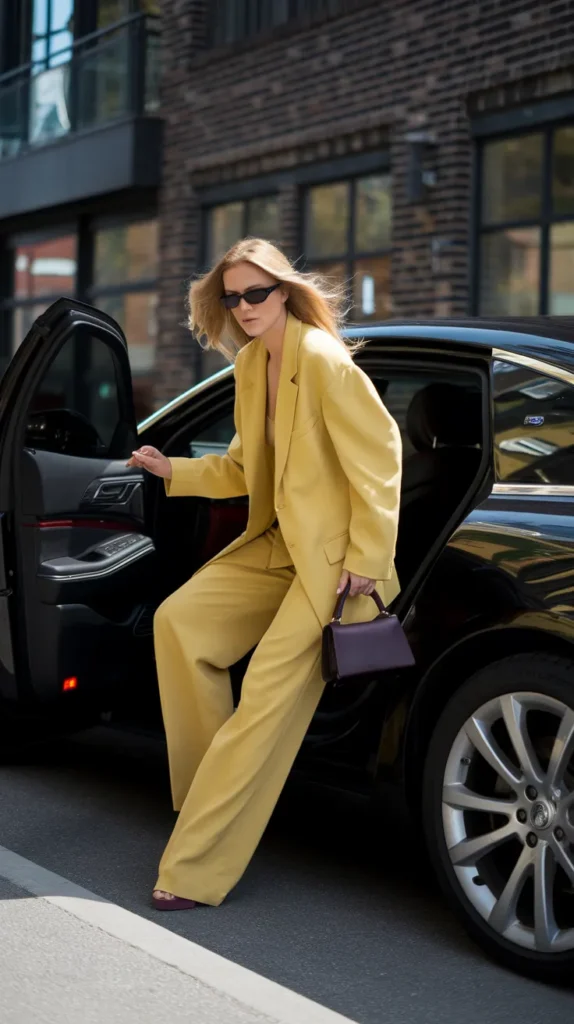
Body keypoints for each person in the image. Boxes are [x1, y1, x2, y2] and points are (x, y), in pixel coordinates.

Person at [127, 237, 402, 911]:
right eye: (233, 296)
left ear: (284, 291)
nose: (244, 307)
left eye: (256, 293)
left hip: (332, 567)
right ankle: (208, 804)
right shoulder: (254, 365)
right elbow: (247, 470)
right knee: (179, 624)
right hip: (276, 545)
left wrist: (367, 561)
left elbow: (382, 456)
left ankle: (194, 868)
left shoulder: (321, 358)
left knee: (264, 707)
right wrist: (174, 471)